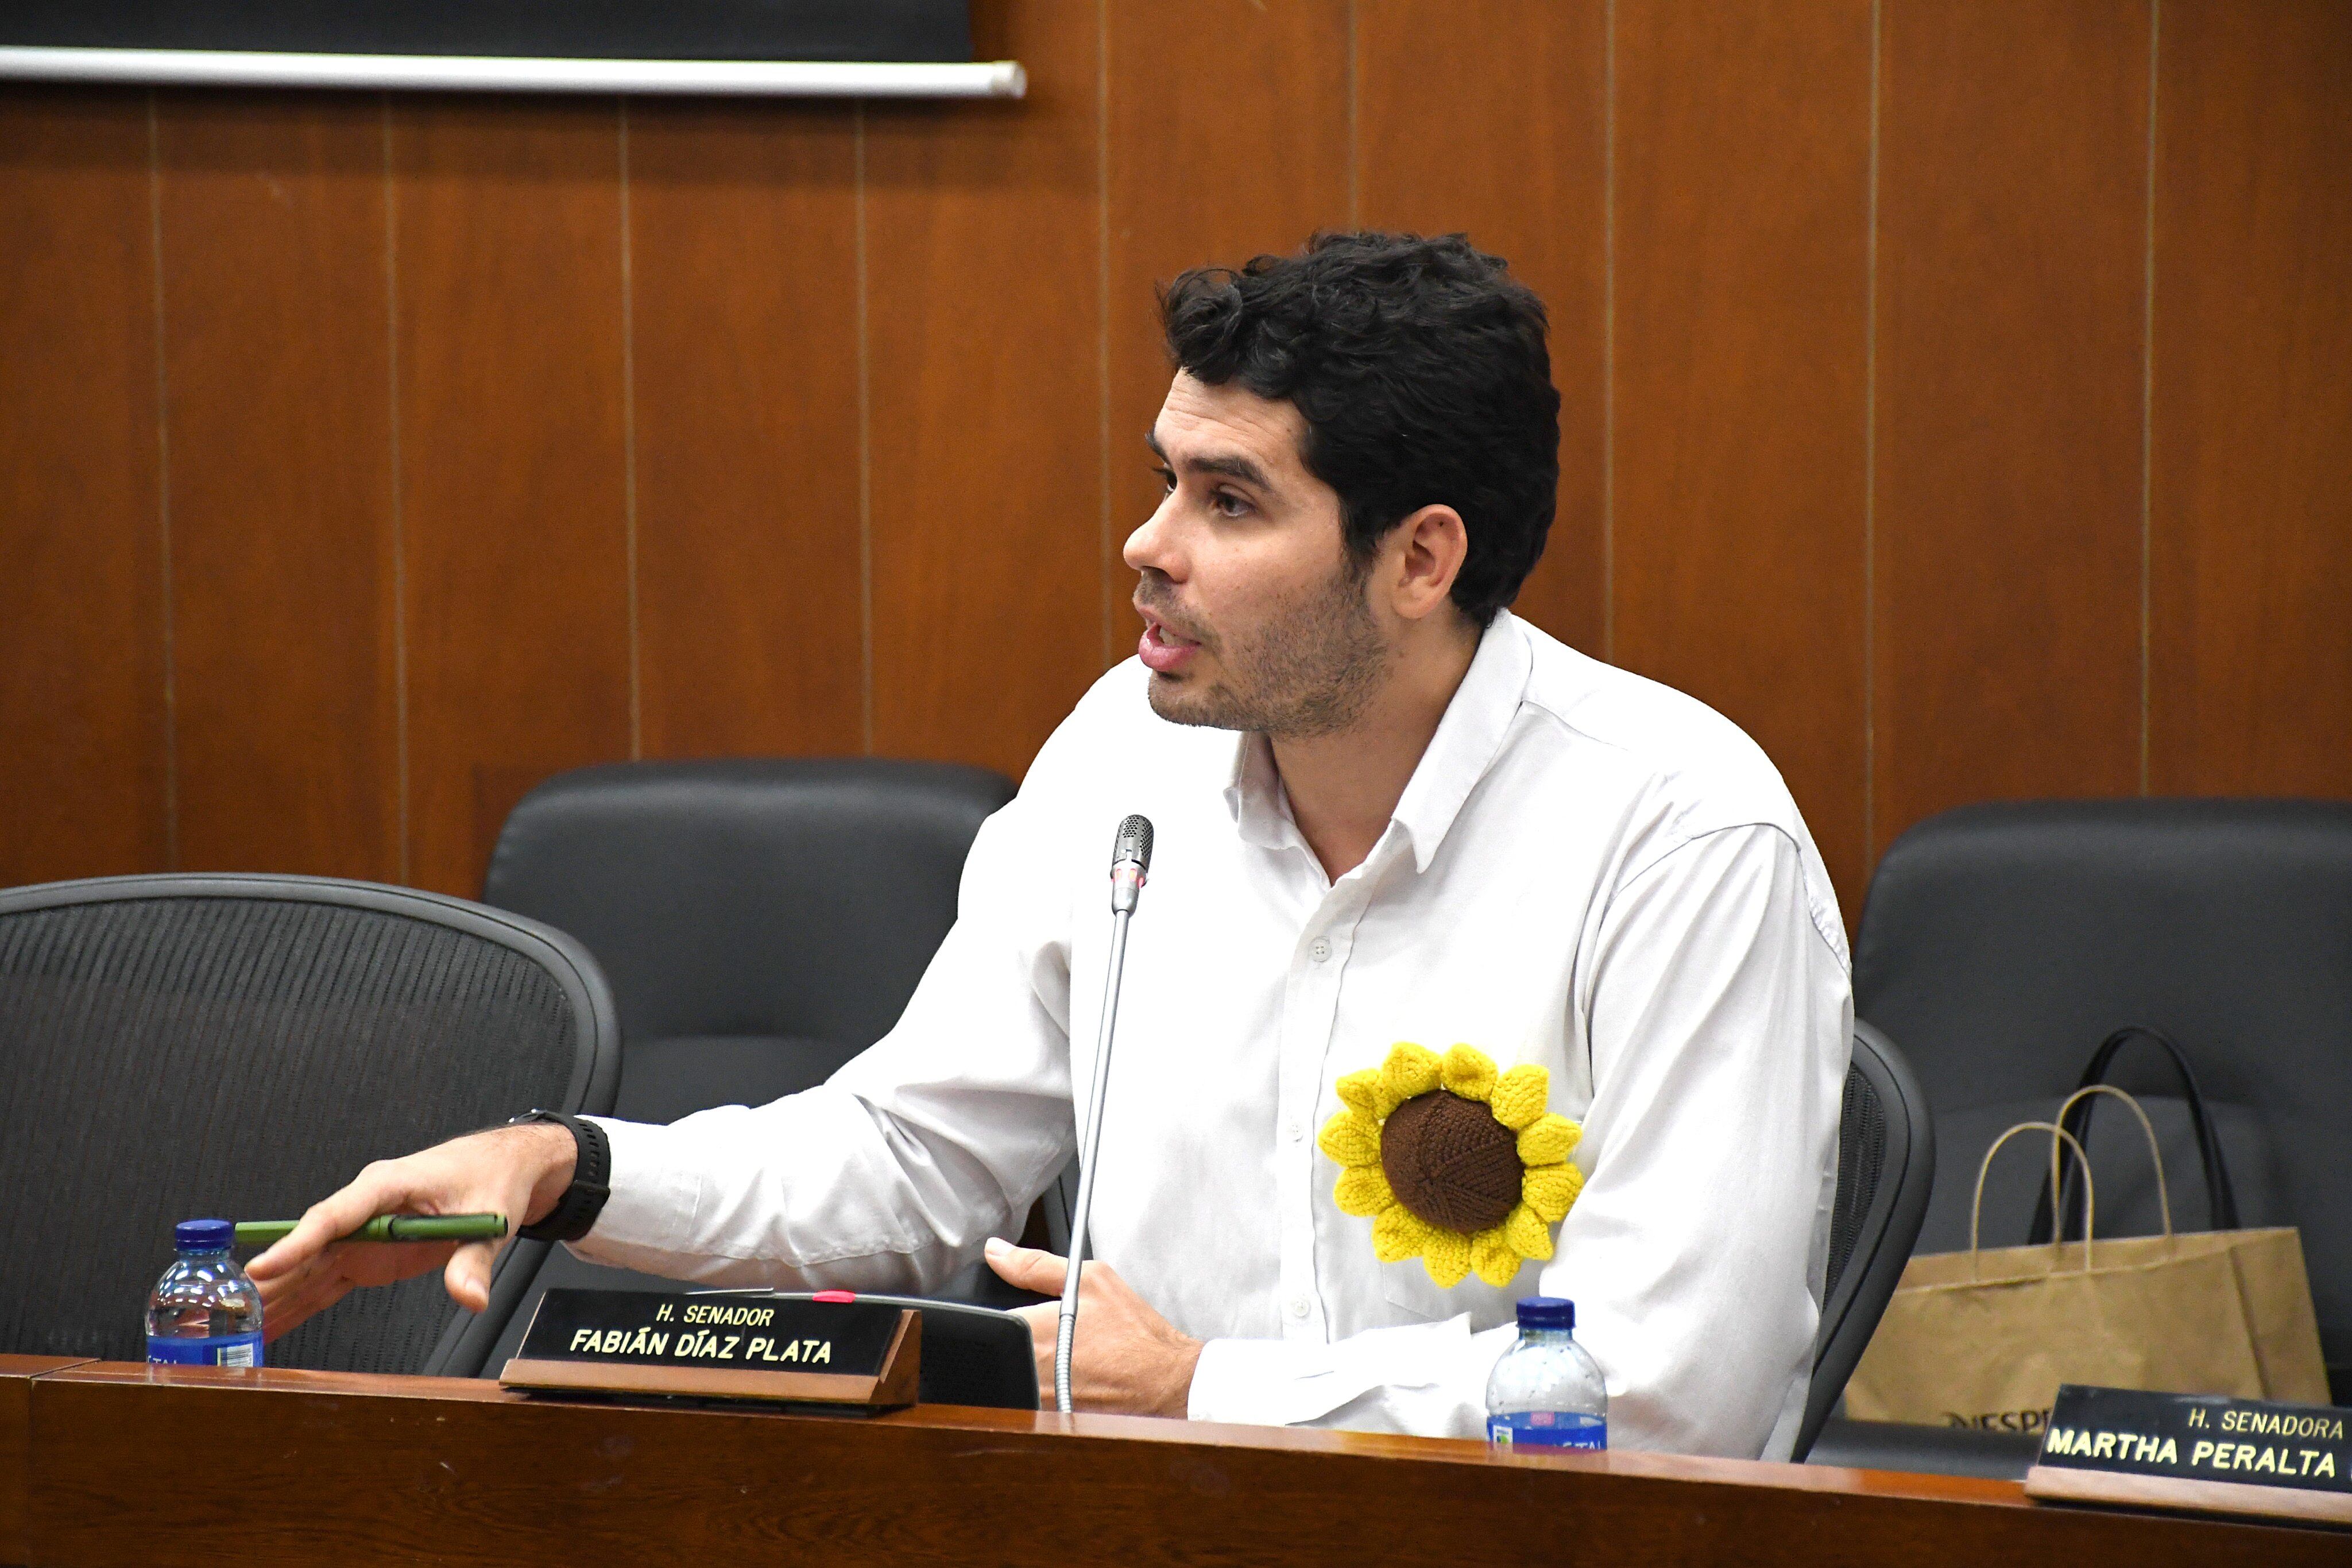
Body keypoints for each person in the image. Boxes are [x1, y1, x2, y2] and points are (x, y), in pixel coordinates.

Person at [250, 231, 1851, 1459]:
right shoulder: (1125, 758)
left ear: (1421, 557)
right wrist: (566, 1165)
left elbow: (1670, 1391)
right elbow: (907, 1157)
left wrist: (1205, 1387)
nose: (1148, 544)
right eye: (1166, 481)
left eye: (1230, 502)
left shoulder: (1682, 834)